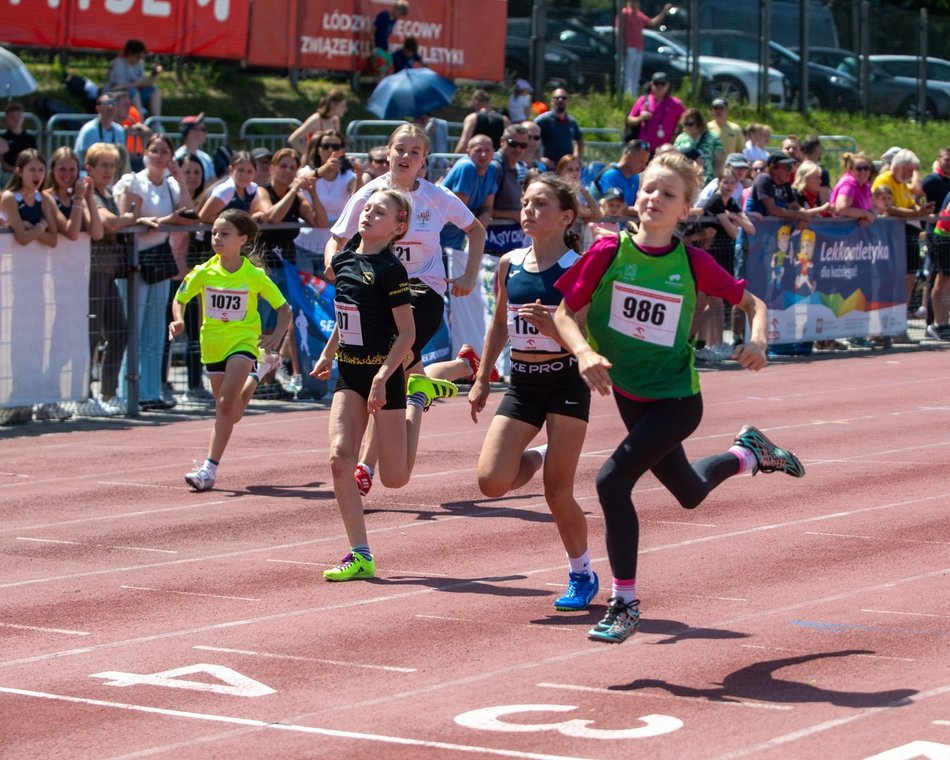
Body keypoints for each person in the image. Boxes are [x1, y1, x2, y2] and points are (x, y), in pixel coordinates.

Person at [552, 150, 805, 643]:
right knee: (689, 492)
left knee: (611, 483)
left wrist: (756, 340)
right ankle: (748, 453)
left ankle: (624, 603)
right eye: (648, 189)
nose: (653, 199)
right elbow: (564, 313)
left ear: (684, 209)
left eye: (667, 194)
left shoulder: (692, 264)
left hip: (676, 400)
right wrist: (583, 352)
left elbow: (753, 303)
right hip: (630, 394)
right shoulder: (607, 254)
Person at [326, 124, 486, 496]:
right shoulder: (370, 195)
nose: (405, 157)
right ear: (388, 151)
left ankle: (366, 463)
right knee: (399, 369)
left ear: (424, 162)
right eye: (400, 149)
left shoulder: (436, 197)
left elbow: (475, 230)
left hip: (422, 293)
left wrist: (469, 274)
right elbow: (335, 239)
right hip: (379, 294)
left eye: (415, 152)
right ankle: (445, 378)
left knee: (392, 362)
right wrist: (334, 266)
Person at [469, 173, 597, 611]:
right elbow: (501, 323)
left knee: (557, 492)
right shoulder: (509, 263)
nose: (528, 211)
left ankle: (582, 574)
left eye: (540, 204)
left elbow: (588, 339)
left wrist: (554, 329)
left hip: (565, 381)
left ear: (566, 217)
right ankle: (542, 452)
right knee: (490, 481)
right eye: (525, 202)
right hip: (522, 383)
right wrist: (483, 377)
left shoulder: (578, 269)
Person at [311, 188, 429, 580]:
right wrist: (329, 352)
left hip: (385, 373)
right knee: (339, 458)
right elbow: (347, 312)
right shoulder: (343, 259)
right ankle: (360, 554)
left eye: (380, 212)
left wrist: (383, 376)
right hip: (350, 372)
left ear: (398, 227)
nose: (368, 214)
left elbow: (407, 333)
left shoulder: (391, 269)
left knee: (395, 478)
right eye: (367, 208)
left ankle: (417, 399)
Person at [170, 209, 292, 491]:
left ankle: (208, 470)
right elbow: (180, 297)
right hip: (213, 344)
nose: (216, 238)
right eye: (214, 233)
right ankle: (260, 372)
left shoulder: (255, 275)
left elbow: (284, 310)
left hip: (243, 343)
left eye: (224, 234)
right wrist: (178, 320)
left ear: (242, 239)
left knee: (225, 405)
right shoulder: (203, 271)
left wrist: (275, 336)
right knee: (231, 412)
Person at [114, 133, 194, 411]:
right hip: (135, 259)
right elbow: (129, 218)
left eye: (164, 151)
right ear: (145, 153)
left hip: (160, 258)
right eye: (154, 150)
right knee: (132, 327)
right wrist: (161, 220)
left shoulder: (171, 185)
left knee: (155, 330)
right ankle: (128, 392)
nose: (159, 155)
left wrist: (180, 178)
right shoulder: (133, 181)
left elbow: (188, 213)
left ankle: (149, 391)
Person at [0, 149, 67, 421]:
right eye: (31, 170)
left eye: (40, 170)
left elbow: (52, 238)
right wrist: (38, 229)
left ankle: (35, 397)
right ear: (19, 172)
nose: (37, 175)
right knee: (16, 339)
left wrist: (36, 227)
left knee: (39, 338)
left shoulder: (45, 198)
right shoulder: (9, 198)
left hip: (39, 281)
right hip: (14, 281)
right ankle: (16, 399)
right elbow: (22, 237)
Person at [252, 146, 324, 395]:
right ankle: (258, 381)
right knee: (263, 325)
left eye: (292, 168)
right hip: (264, 269)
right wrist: (295, 188)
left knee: (280, 327)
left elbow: (320, 222)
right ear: (272, 168)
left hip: (287, 268)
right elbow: (273, 216)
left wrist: (312, 192)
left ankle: (269, 381)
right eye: (282, 166)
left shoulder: (299, 197)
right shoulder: (262, 191)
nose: (287, 171)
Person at [86, 142, 136, 416]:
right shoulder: (90, 195)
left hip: (109, 271)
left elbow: (117, 224)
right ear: (90, 168)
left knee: (119, 331)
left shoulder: (107, 193)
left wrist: (125, 220)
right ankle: (85, 395)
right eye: (103, 165)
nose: (108, 170)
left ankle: (108, 392)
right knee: (90, 336)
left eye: (112, 165)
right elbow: (108, 223)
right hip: (91, 270)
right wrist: (128, 217)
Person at [439, 134, 498, 356]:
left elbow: (487, 208)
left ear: (494, 151)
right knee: (443, 298)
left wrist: (476, 232)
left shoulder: (492, 170)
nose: (483, 155)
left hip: (455, 244)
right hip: (437, 241)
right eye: (477, 150)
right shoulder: (466, 168)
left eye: (487, 150)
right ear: (468, 151)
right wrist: (474, 231)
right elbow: (459, 213)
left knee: (455, 298)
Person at [698, 166, 756, 361]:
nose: (729, 186)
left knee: (717, 303)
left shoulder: (731, 202)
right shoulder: (715, 202)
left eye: (732, 183)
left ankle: (712, 344)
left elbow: (750, 228)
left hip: (724, 257)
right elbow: (733, 232)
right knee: (710, 302)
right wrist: (732, 219)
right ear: (719, 182)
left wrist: (734, 216)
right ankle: (704, 343)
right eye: (725, 182)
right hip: (708, 255)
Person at [871, 149, 934, 316]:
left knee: (909, 276)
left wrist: (921, 210)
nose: (912, 174)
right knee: (891, 278)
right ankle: (887, 319)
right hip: (890, 237)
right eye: (909, 170)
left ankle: (900, 316)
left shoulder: (902, 183)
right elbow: (887, 208)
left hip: (907, 236)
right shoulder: (884, 180)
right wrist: (915, 214)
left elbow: (909, 204)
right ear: (898, 167)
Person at [297, 129, 361, 273]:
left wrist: (360, 175)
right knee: (304, 294)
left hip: (336, 247)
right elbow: (297, 183)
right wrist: (321, 171)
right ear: (318, 149)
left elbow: (357, 197)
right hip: (305, 245)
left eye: (336, 147)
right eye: (326, 146)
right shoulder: (306, 171)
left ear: (342, 150)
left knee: (332, 293)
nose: (330, 150)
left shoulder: (348, 176)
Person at [43, 146, 103, 243]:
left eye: (72, 169)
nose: (67, 174)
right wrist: (79, 198)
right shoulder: (46, 196)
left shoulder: (76, 199)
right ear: (53, 170)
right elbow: (72, 234)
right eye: (62, 169)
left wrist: (89, 197)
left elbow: (97, 234)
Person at [921, 148, 950, 339]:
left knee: (947, 283)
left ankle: (944, 323)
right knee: (941, 280)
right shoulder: (931, 181)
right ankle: (937, 324)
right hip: (942, 237)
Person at [618, 0, 674, 96]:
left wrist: (664, 12)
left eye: (637, 2)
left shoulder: (639, 14)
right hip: (628, 48)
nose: (636, 4)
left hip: (638, 48)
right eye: (634, 2)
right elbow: (619, 31)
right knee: (627, 75)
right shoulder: (625, 13)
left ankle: (633, 97)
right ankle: (625, 97)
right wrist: (623, 48)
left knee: (635, 76)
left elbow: (652, 22)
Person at [626, 72, 685, 154]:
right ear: (651, 84)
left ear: (667, 85)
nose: (660, 86)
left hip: (665, 150)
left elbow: (687, 120)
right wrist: (640, 118)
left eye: (663, 83)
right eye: (656, 83)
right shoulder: (643, 100)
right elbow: (630, 119)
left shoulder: (676, 104)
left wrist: (677, 135)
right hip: (644, 149)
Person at [589, 139, 651, 214]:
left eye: (645, 163)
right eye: (641, 162)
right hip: (602, 224)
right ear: (629, 156)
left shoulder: (635, 177)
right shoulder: (610, 175)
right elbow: (617, 209)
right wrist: (645, 212)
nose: (644, 167)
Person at [106, 39, 162, 117]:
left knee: (155, 90)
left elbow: (142, 82)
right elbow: (118, 86)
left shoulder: (139, 63)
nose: (139, 59)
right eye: (138, 57)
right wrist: (136, 83)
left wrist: (153, 76)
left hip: (134, 92)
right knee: (133, 91)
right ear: (130, 53)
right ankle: (140, 118)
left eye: (141, 57)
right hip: (115, 93)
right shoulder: (118, 64)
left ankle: (157, 120)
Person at [556, 154, 601, 250]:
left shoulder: (581, 192)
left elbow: (597, 215)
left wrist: (583, 191)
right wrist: (587, 212)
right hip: (563, 238)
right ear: (560, 171)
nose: (575, 173)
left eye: (577, 169)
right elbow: (578, 211)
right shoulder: (559, 191)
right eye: (570, 170)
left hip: (579, 239)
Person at [199, 150, 259, 221]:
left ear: (255, 173)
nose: (245, 175)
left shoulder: (252, 189)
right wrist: (235, 223)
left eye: (249, 171)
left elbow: (250, 215)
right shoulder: (227, 189)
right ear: (231, 169)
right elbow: (203, 217)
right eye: (240, 170)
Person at [534, 88, 584, 170]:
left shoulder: (572, 122)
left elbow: (580, 140)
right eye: (557, 98)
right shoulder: (542, 120)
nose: (560, 100)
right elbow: (529, 140)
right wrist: (540, 159)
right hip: (548, 168)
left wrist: (576, 158)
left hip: (566, 168)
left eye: (564, 98)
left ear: (568, 101)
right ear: (552, 100)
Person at [288, 89, 348, 155]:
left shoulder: (335, 120)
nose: (345, 109)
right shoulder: (316, 119)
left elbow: (336, 144)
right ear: (333, 104)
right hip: (316, 162)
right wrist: (308, 155)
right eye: (343, 105)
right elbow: (293, 139)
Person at [673, 107, 724, 186]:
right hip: (685, 184)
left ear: (699, 123)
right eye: (685, 124)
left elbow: (720, 161)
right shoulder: (680, 139)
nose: (688, 127)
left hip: (707, 183)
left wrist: (716, 181)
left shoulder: (713, 138)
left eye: (690, 124)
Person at [74, 92, 127, 166]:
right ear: (98, 108)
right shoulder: (89, 130)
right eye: (106, 103)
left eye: (113, 103)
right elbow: (87, 159)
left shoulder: (119, 130)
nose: (110, 107)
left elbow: (121, 157)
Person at [370, 0, 410, 78]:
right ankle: (379, 88)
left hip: (385, 49)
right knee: (381, 71)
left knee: (390, 69)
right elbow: (372, 32)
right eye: (400, 13)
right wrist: (373, 48)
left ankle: (382, 87)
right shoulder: (383, 16)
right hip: (377, 48)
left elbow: (387, 35)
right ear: (396, 9)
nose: (399, 16)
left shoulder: (393, 20)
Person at [173, 113, 216, 184]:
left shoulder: (206, 157)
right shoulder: (177, 158)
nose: (206, 133)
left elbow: (213, 182)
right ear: (191, 132)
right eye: (203, 129)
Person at [1, 102, 38, 176]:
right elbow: (2, 163)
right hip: (9, 173)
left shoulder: (30, 138)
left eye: (18, 116)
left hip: (28, 173)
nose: (16, 119)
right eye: (12, 117)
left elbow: (35, 159)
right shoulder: (3, 139)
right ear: (7, 118)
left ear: (23, 118)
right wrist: (16, 171)